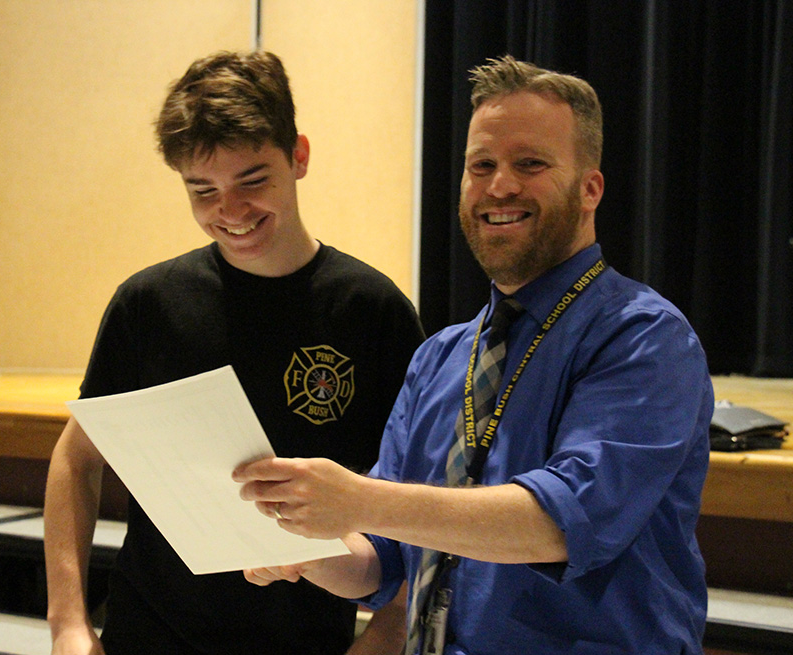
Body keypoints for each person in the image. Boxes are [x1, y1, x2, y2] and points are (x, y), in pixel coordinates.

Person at [234, 55, 714, 655]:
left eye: (530, 164)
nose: (500, 186)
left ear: (590, 188)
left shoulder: (643, 337)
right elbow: (382, 562)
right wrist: (304, 548)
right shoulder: (439, 356)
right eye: (480, 165)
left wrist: (357, 500)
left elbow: (558, 524)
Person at [44, 50, 424, 655]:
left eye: (252, 180)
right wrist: (67, 621)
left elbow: (414, 495)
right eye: (203, 191)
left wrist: (388, 626)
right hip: (152, 632)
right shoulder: (148, 304)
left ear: (298, 156)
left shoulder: (372, 311)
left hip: (306, 639)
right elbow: (76, 459)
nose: (231, 212)